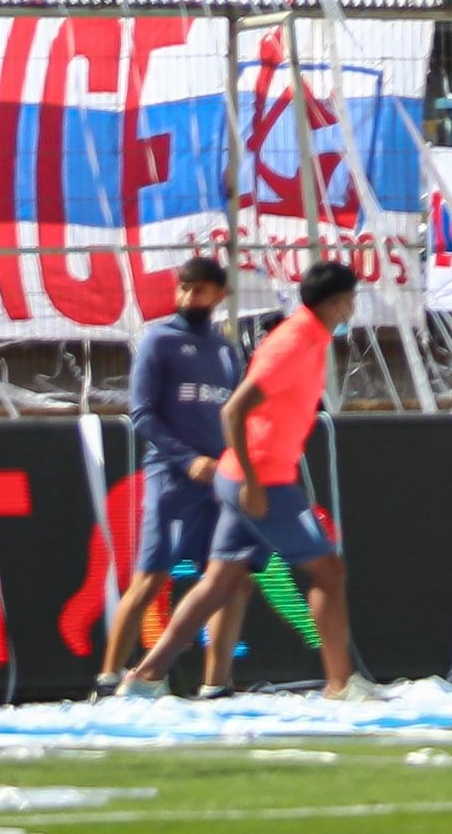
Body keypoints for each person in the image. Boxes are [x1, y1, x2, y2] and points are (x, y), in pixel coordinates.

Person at [162, 257, 365, 701]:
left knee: (219, 584)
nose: (353, 309)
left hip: (252, 476)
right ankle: (340, 684)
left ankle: (143, 676)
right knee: (328, 572)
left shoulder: (310, 337)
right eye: (350, 300)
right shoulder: (293, 342)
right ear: (336, 303)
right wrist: (253, 483)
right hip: (262, 482)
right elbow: (233, 410)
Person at [100, 253, 239, 697]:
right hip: (172, 476)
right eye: (183, 287)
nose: (188, 296)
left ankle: (216, 683)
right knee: (152, 576)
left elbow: (234, 415)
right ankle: (107, 679)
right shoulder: (158, 340)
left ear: (220, 295)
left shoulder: (226, 351)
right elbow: (142, 414)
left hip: (219, 480)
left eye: (199, 289)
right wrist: (187, 460)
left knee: (223, 580)